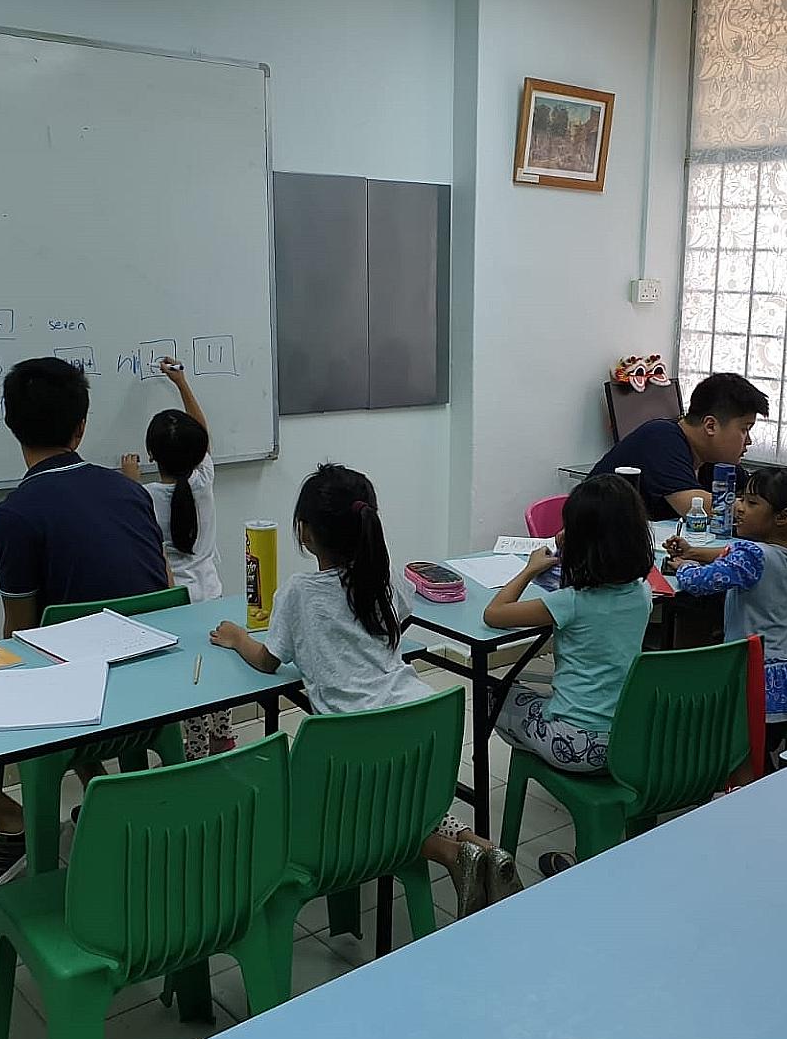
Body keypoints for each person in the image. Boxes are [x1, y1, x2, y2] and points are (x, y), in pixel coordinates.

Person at [209, 464, 520, 915]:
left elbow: (267, 661)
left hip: (352, 752)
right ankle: (478, 845)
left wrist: (238, 637)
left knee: (367, 811)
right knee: (402, 799)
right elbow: (401, 618)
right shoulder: (383, 577)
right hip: (419, 725)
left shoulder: (297, 593)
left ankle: (450, 853)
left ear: (304, 533)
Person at [0, 357, 170, 893]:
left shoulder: (17, 513)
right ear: (81, 425)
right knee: (77, 649)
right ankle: (101, 798)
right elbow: (159, 588)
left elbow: (20, 634)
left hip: (80, 703)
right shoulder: (131, 492)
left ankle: (16, 823)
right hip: (156, 689)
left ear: (10, 425)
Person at [482, 474, 654, 876]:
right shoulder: (642, 593)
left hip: (577, 746)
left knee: (494, 692)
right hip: (630, 743)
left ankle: (510, 794)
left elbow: (494, 613)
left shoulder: (571, 603)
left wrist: (529, 570)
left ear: (584, 543)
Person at [664, 467, 787, 753]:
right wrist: (694, 552)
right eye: (741, 498)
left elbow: (699, 583)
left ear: (783, 516)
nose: (738, 506)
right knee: (757, 754)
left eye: (751, 503)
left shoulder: (753, 556)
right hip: (786, 673)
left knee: (743, 757)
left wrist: (684, 566)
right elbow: (731, 557)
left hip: (756, 680)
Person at [123, 357, 231, 759]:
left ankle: (195, 753)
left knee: (190, 680)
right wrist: (183, 384)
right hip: (212, 595)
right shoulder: (203, 482)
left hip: (177, 605)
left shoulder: (144, 497)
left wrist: (129, 482)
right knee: (216, 672)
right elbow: (201, 432)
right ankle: (224, 737)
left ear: (151, 454)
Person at [590, 372, 769, 520]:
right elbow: (692, 506)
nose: (749, 440)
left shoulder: (715, 458)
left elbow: (763, 493)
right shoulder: (661, 437)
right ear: (710, 426)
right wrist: (752, 509)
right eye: (745, 429)